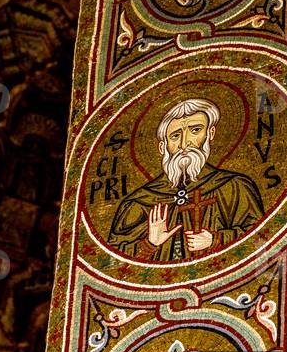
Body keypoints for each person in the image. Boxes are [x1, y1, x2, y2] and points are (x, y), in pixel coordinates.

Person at [108, 98, 265, 261]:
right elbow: (112, 261)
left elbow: (261, 237)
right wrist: (150, 243)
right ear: (163, 147)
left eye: (195, 130)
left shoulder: (234, 186)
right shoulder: (139, 201)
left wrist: (215, 240)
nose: (184, 144)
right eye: (175, 136)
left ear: (210, 134)